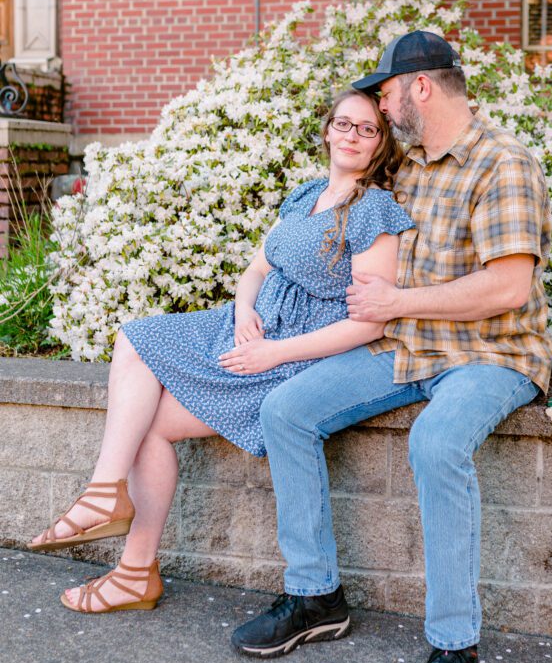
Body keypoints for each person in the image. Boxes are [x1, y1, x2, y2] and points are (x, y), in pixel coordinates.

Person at [231, 31, 552, 663]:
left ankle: (452, 647)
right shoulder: (404, 170)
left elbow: (507, 286)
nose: (380, 104)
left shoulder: (503, 165)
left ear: (420, 89)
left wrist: (397, 303)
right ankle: (316, 596)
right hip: (406, 348)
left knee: (436, 443)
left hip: (488, 353)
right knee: (286, 409)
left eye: (385, 92)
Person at [28, 89, 415, 615]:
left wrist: (273, 355)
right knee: (136, 337)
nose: (351, 136)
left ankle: (131, 566)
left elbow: (368, 323)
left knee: (151, 424)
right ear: (326, 130)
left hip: (295, 350)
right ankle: (108, 497)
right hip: (253, 327)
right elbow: (257, 268)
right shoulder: (306, 195)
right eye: (343, 124)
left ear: (380, 143)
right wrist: (241, 312)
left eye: (366, 129)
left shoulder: (375, 211)